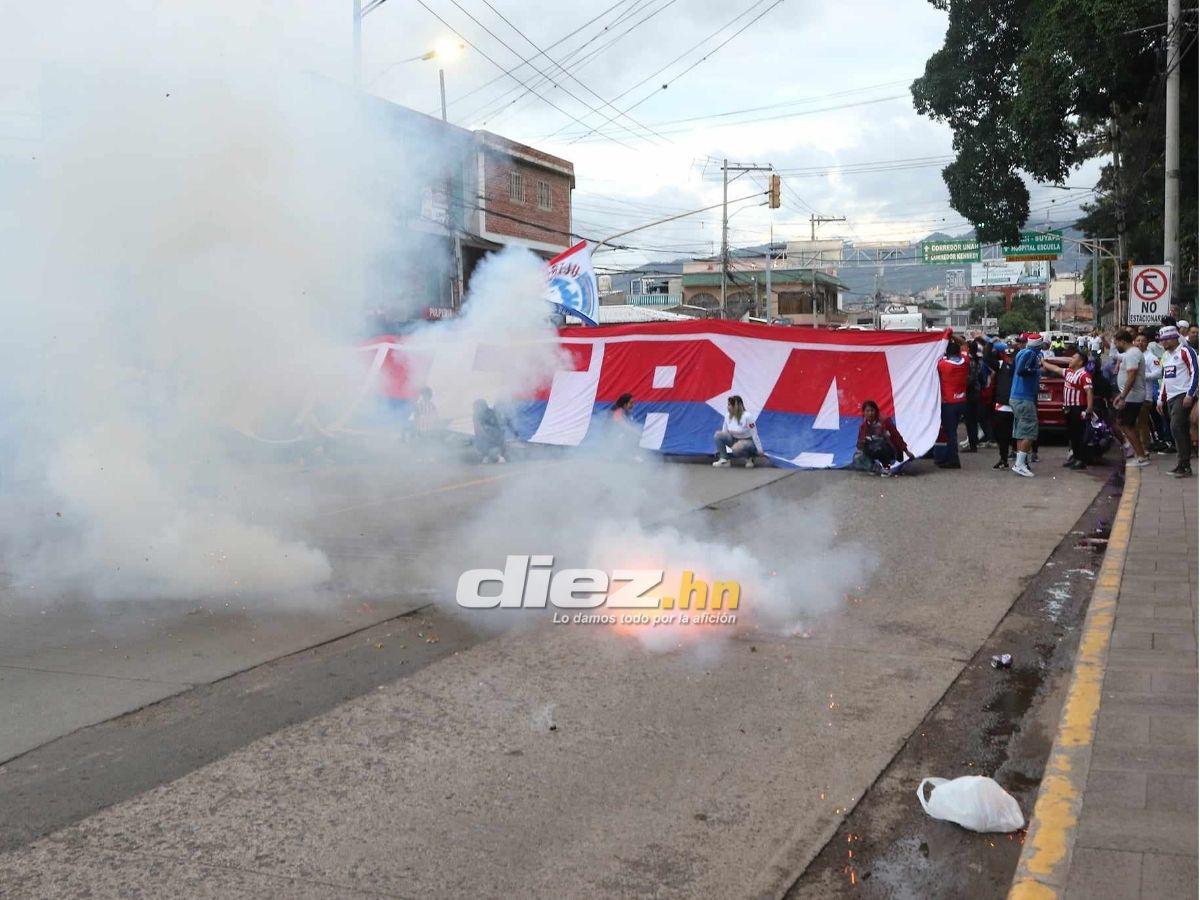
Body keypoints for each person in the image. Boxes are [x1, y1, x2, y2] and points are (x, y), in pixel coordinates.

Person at [1157, 325, 1198, 477]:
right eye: (1162, 340)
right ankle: (1183, 463)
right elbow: (1165, 379)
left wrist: (1190, 393)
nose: (1164, 343)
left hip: (1183, 395)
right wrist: (1160, 400)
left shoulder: (1186, 351)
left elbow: (1195, 372)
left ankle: (1185, 464)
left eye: (1166, 340)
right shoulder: (1166, 356)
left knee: (1176, 427)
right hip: (1171, 397)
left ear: (1174, 338)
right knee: (1178, 429)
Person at [1009, 332, 1052, 477]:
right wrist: (1038, 371)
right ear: (1039, 344)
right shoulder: (1031, 354)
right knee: (1030, 430)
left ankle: (1021, 461)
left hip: (1016, 397)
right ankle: (1019, 464)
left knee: (1021, 431)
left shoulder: (1021, 353)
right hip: (1024, 398)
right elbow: (1022, 370)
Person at [1044, 349, 1094, 470]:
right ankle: (1076, 458)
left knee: (1079, 434)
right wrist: (1043, 361)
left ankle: (1081, 460)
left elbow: (1089, 391)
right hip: (1068, 408)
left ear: (1081, 362)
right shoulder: (1069, 372)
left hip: (1078, 408)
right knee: (1072, 434)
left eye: (1074, 358)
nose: (1071, 360)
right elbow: (1055, 368)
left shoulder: (1084, 375)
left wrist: (1089, 409)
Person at [1112, 330, 1150, 468]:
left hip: (1132, 397)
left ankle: (1141, 456)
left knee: (1127, 425)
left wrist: (1123, 396)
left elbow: (1132, 376)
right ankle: (1138, 453)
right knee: (1125, 424)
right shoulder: (1130, 354)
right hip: (1130, 396)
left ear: (1122, 341)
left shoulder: (1133, 354)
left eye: (1116, 342)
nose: (1116, 345)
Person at [853, 399, 916, 476]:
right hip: (874, 450)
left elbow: (896, 436)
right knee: (857, 456)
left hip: (890, 451)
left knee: (879, 444)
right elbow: (860, 444)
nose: (870, 413)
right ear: (864, 413)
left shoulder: (885, 422)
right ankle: (874, 468)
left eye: (872, 410)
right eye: (867, 411)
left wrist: (906, 451)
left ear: (876, 411)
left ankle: (887, 467)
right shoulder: (863, 426)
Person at [936, 340, 969, 469]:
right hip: (962, 401)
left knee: (950, 432)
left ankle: (953, 460)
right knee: (953, 431)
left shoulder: (943, 365)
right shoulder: (965, 362)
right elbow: (965, 346)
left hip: (949, 403)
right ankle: (950, 457)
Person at [712, 395, 763, 468]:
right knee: (718, 434)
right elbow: (724, 432)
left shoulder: (747, 416)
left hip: (748, 442)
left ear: (736, 406)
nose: (728, 407)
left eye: (729, 405)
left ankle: (750, 458)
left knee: (736, 448)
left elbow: (754, 434)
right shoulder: (727, 416)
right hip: (734, 440)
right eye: (728, 405)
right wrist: (720, 450)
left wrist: (760, 450)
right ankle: (724, 460)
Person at [991, 341, 1014, 470]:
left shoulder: (1019, 368)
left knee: (1018, 435)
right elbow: (987, 358)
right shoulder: (1000, 365)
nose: (1009, 358)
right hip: (1002, 406)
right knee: (1001, 435)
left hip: (1016, 405)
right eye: (1007, 356)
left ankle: (1021, 459)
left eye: (1011, 356)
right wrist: (990, 343)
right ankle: (1003, 458)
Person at [472, 399, 507, 464]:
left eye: (477, 407)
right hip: (485, 438)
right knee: (481, 442)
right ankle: (487, 456)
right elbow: (478, 429)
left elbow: (498, 427)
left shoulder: (491, 414)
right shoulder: (476, 415)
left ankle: (499, 457)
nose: (475, 409)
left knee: (492, 447)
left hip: (495, 437)